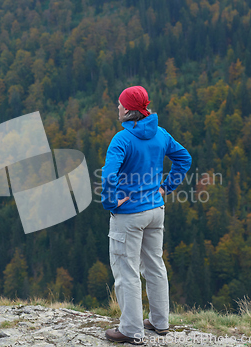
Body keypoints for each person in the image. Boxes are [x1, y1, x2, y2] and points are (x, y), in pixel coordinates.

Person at [101, 86, 192, 344]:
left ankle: (130, 330)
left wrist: (111, 202)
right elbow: (184, 158)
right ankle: (159, 322)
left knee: (127, 272)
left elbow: (108, 176)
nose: (117, 108)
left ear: (128, 110)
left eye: (119, 104)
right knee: (154, 266)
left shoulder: (122, 140)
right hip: (156, 211)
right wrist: (165, 187)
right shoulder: (160, 134)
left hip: (129, 215)